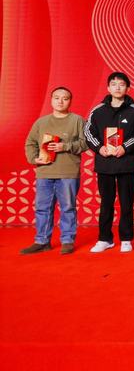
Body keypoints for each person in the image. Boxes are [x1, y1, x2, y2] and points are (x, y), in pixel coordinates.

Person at [84, 72, 134, 253]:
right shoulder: (98, 111)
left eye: (121, 84)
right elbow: (88, 133)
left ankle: (126, 239)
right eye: (114, 84)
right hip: (104, 164)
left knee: (127, 203)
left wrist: (125, 147)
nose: (118, 87)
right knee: (106, 203)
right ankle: (104, 239)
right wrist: (99, 148)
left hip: (126, 163)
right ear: (108, 88)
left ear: (128, 88)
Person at [20, 87, 87, 255]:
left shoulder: (78, 120)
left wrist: (65, 146)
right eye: (57, 98)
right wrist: (34, 158)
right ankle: (42, 241)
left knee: (68, 207)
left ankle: (67, 241)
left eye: (65, 98)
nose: (60, 101)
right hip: (44, 171)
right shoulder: (41, 122)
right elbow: (30, 142)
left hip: (68, 172)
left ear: (70, 101)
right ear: (51, 100)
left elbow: (86, 143)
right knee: (42, 208)